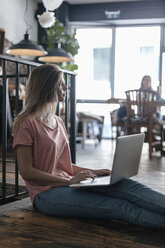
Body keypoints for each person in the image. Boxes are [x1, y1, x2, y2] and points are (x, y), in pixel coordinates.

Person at [13, 64, 165, 229]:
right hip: (46, 194)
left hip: (67, 183)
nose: (66, 87)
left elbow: (62, 165)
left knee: (127, 185)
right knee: (120, 207)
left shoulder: (58, 121)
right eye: (61, 83)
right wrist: (68, 181)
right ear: (48, 87)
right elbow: (27, 171)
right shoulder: (26, 124)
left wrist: (96, 172)